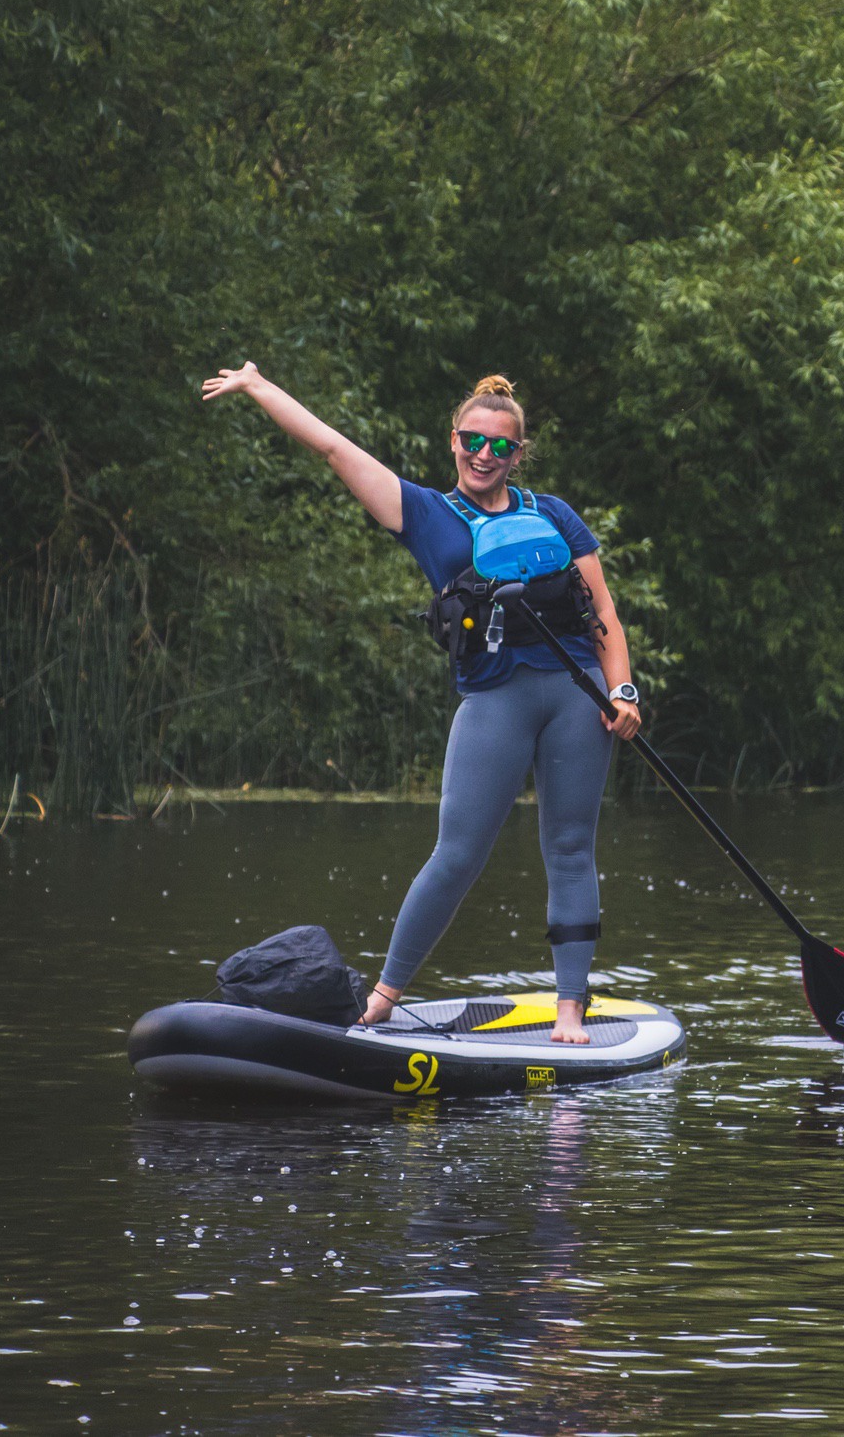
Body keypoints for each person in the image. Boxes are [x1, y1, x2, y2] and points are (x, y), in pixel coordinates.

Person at [199, 365, 642, 1044]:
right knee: (456, 853)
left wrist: (623, 691)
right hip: (495, 701)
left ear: (518, 454)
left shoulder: (554, 513)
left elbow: (602, 611)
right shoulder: (424, 512)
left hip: (577, 698)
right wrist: (258, 385)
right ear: (454, 440)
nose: (484, 454)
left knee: (572, 847)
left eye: (500, 445)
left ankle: (570, 1009)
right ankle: (382, 996)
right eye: (473, 439)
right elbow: (333, 447)